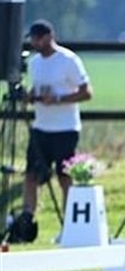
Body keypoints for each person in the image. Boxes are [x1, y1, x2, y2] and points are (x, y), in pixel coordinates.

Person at [19, 19, 93, 234]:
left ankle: (69, 224)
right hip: (41, 127)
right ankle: (27, 220)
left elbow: (86, 92)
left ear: (49, 37)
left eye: (38, 39)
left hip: (65, 128)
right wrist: (31, 96)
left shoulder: (68, 60)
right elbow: (38, 87)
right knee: (31, 175)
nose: (35, 43)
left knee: (64, 176)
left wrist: (59, 99)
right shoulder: (35, 63)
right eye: (33, 39)